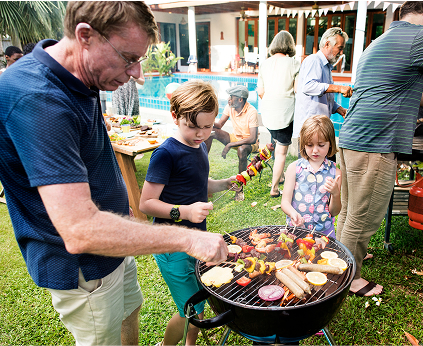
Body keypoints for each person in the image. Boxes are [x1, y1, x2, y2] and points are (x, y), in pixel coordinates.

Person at [0, 2, 228, 345]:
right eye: (129, 58)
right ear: (85, 36)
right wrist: (189, 237)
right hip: (84, 266)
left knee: (128, 314)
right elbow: (80, 230)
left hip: (115, 246)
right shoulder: (40, 100)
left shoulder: (78, 75)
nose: (137, 73)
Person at [336, 1, 423, 297]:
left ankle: (343, 261)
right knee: (363, 217)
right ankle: (349, 278)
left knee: (350, 211)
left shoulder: (380, 42)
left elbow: (402, 88)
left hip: (351, 138)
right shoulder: (421, 35)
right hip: (376, 142)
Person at [139, 80, 240, 346]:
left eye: (207, 127)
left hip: (196, 243)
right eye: (193, 126)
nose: (201, 134)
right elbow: (146, 203)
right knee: (190, 311)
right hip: (171, 248)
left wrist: (225, 183)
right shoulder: (166, 154)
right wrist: (184, 212)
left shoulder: (199, 147)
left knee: (197, 304)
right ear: (175, 115)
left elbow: (199, 185)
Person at [281, 114, 341, 237]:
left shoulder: (336, 173)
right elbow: (285, 202)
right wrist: (293, 214)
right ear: (303, 144)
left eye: (321, 145)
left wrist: (335, 194)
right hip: (297, 230)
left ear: (330, 143)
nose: (315, 150)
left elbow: (334, 211)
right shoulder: (294, 168)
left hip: (324, 232)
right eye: (309, 145)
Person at [293, 27, 353, 147]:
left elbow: (324, 97)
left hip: (320, 128)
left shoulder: (326, 66)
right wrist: (339, 88)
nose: (341, 53)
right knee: (310, 166)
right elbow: (308, 87)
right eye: (339, 48)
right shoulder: (314, 60)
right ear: (327, 44)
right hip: (310, 129)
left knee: (329, 163)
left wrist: (339, 109)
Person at [257, 30, 301, 198]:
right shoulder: (294, 63)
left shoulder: (265, 64)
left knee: (276, 144)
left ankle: (280, 176)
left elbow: (261, 91)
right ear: (290, 45)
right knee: (282, 151)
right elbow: (297, 90)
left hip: (268, 112)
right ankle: (274, 189)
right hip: (285, 112)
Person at [205, 85, 259, 201]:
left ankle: (239, 189)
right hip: (235, 139)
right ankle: (203, 170)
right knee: (212, 132)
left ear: (240, 99)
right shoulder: (230, 107)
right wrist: (205, 120)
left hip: (249, 143)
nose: (229, 99)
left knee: (242, 149)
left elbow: (253, 138)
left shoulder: (252, 112)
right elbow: (219, 125)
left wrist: (229, 145)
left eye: (231, 97)